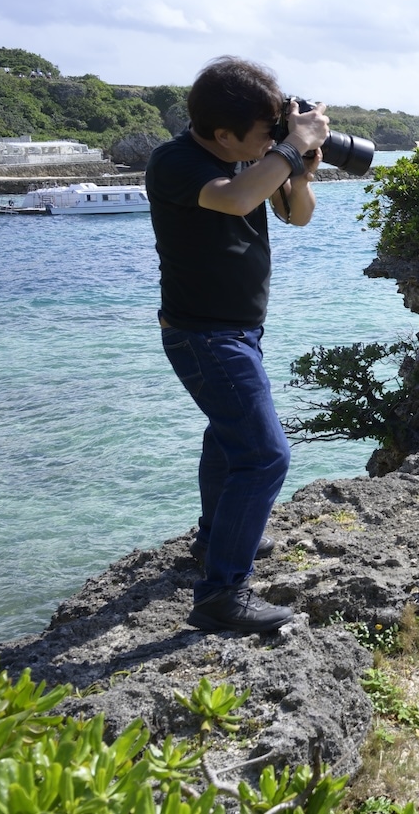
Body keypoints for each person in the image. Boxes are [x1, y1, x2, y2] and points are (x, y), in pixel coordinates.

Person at [146, 57, 329, 633]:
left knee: (229, 442)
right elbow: (234, 201)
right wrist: (285, 153)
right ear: (221, 133)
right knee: (265, 455)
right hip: (204, 335)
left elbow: (297, 217)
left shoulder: (252, 158)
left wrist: (296, 167)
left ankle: (212, 541)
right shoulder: (177, 162)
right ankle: (222, 594)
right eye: (261, 134)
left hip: (238, 332)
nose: (268, 142)